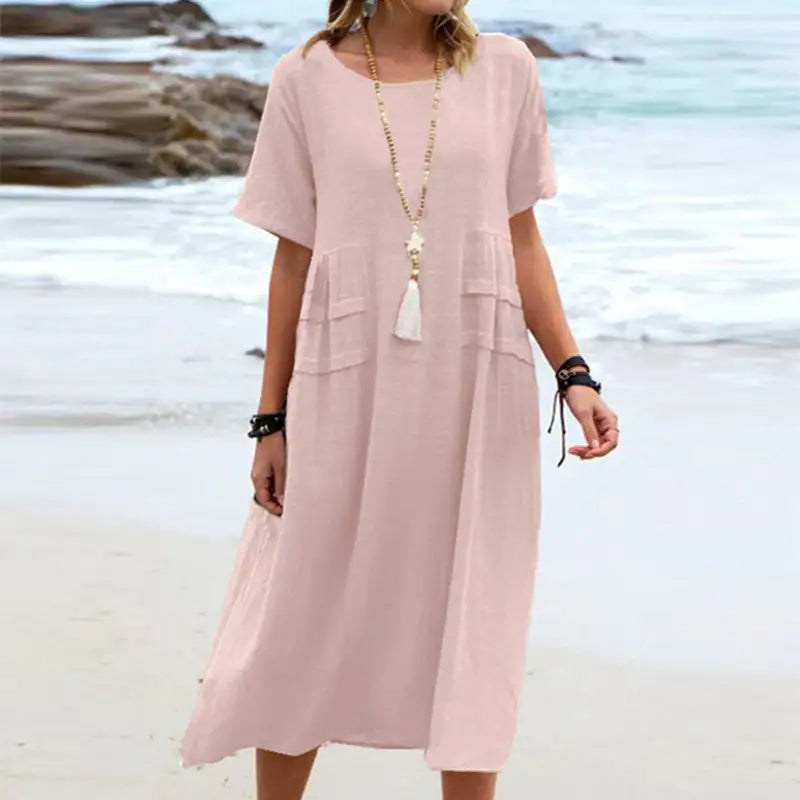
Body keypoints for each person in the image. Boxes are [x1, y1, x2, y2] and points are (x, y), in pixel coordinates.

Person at [180, 1, 619, 798]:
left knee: (472, 606)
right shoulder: (304, 78)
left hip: (475, 383)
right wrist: (269, 418)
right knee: (303, 609)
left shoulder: (506, 70)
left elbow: (521, 236)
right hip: (343, 380)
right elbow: (292, 256)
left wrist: (574, 372)